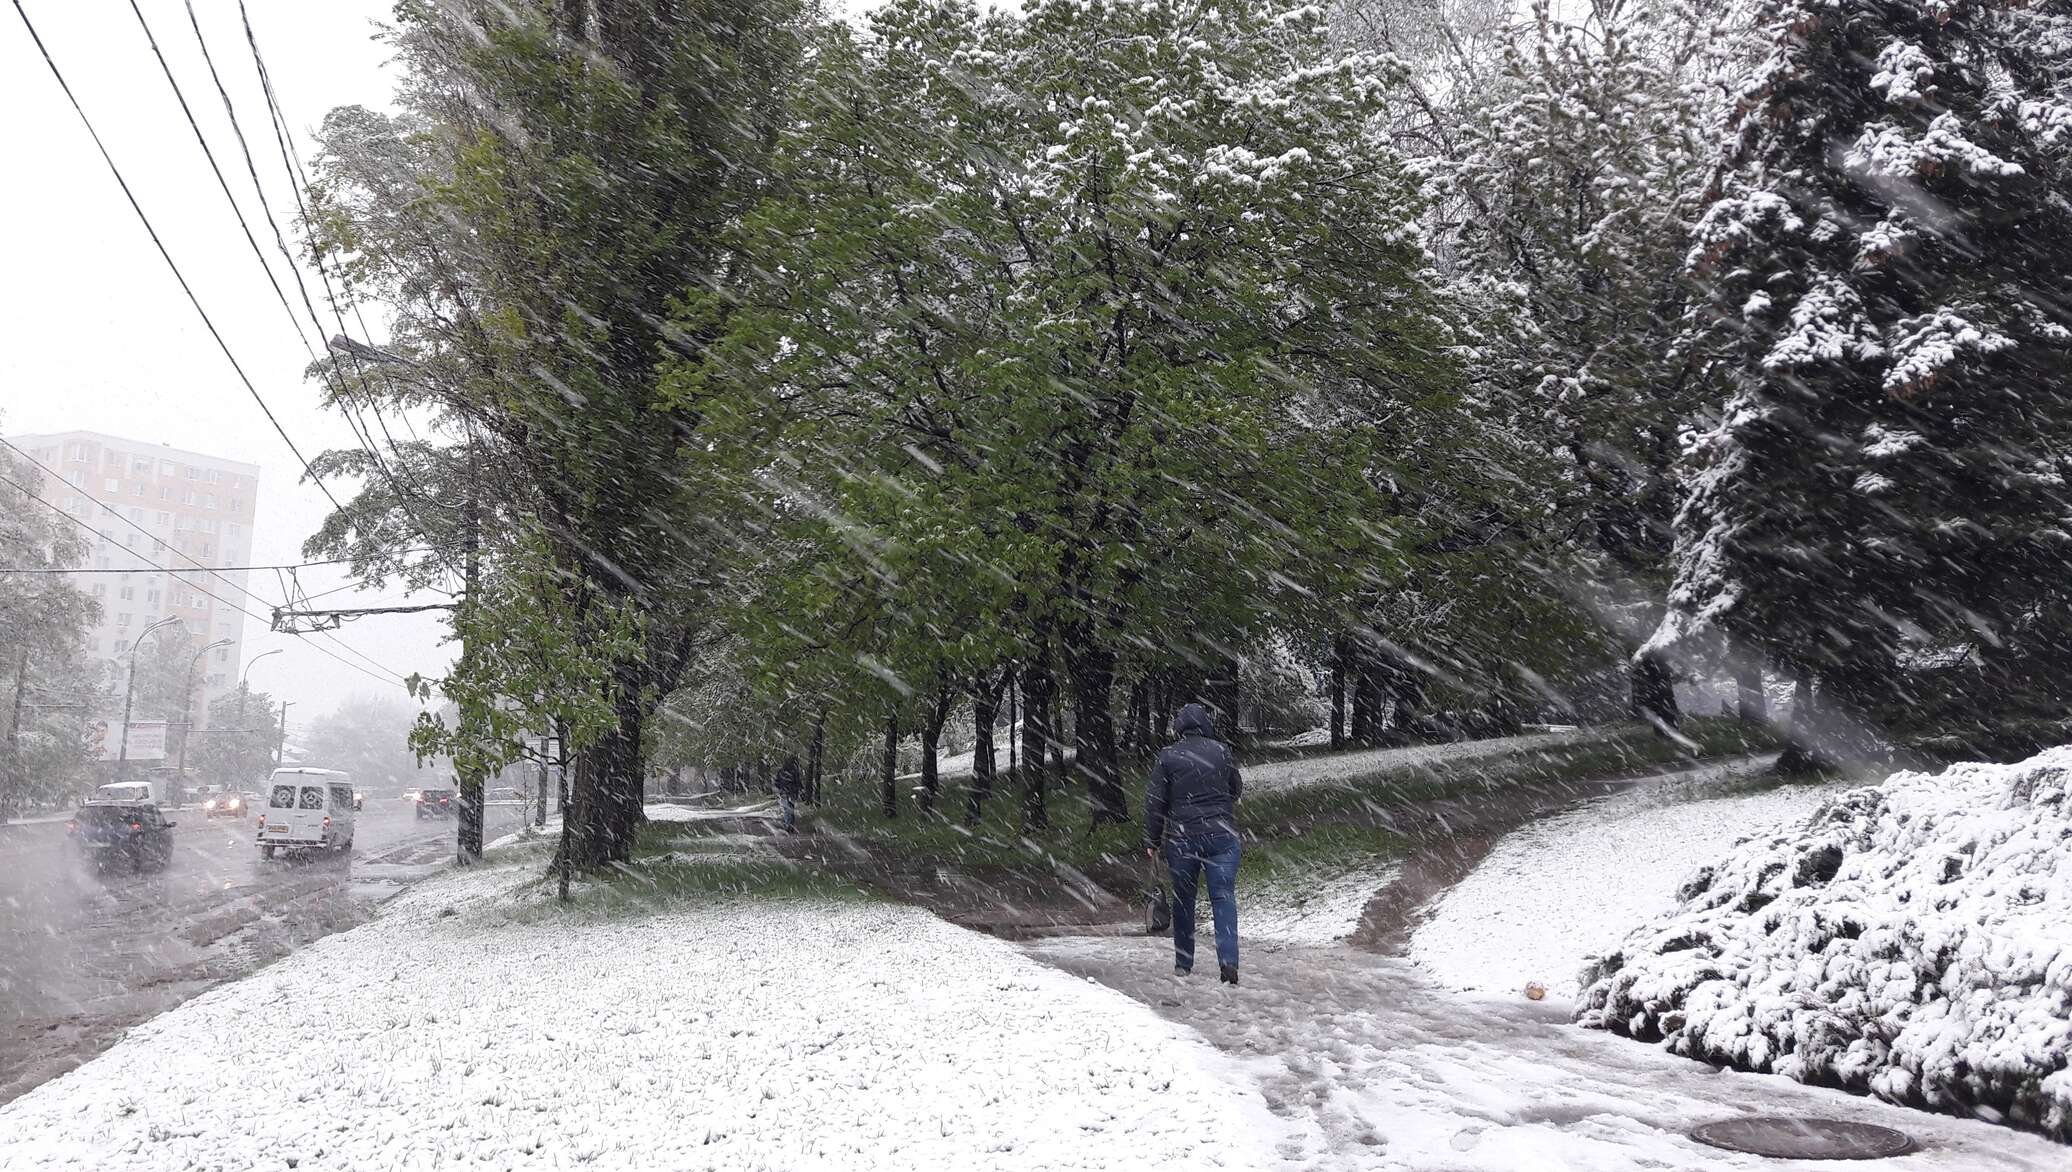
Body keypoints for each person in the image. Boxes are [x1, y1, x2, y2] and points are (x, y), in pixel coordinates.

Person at [1143, 702, 1243, 984]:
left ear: (1180, 727)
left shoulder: (1168, 756)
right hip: (1222, 837)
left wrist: (1152, 838)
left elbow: (1155, 802)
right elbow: (1235, 788)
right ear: (1205, 724)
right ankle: (1228, 963)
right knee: (1223, 897)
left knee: (1184, 900)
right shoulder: (1222, 751)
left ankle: (1183, 963)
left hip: (1182, 839)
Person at [773, 753, 804, 833]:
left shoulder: (782, 771)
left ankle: (788, 824)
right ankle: (790, 824)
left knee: (787, 808)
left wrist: (779, 788)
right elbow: (798, 782)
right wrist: (800, 789)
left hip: (785, 792)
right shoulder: (794, 771)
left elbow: (777, 781)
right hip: (792, 792)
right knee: (790, 808)